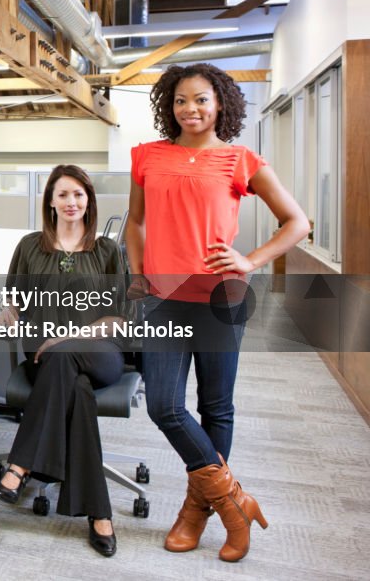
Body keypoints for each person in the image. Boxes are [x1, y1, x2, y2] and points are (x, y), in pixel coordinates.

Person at [126, 63, 308, 562]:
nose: (191, 109)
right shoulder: (148, 157)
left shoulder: (239, 160)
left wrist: (249, 260)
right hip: (163, 298)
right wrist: (138, 273)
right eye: (181, 100)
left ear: (221, 103)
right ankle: (232, 501)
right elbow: (135, 223)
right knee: (164, 404)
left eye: (201, 99)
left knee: (216, 407)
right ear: (170, 106)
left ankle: (194, 511)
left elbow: (297, 223)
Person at [0, 165, 128, 558]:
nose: (71, 202)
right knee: (76, 389)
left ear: (89, 201)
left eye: (79, 194)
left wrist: (72, 337)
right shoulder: (30, 246)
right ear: (50, 200)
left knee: (66, 355)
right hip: (46, 359)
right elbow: (13, 297)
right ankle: (99, 513)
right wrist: (8, 310)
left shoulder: (106, 251)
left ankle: (19, 467)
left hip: (99, 354)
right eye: (63, 194)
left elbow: (118, 317)